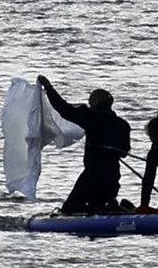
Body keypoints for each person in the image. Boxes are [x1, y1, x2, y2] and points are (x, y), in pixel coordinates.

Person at [37, 75, 130, 214]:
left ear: (95, 103)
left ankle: (108, 208)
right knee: (96, 205)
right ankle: (109, 207)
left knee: (69, 209)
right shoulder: (123, 124)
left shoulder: (91, 118)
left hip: (93, 176)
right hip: (113, 177)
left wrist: (49, 87)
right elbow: (124, 152)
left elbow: (64, 109)